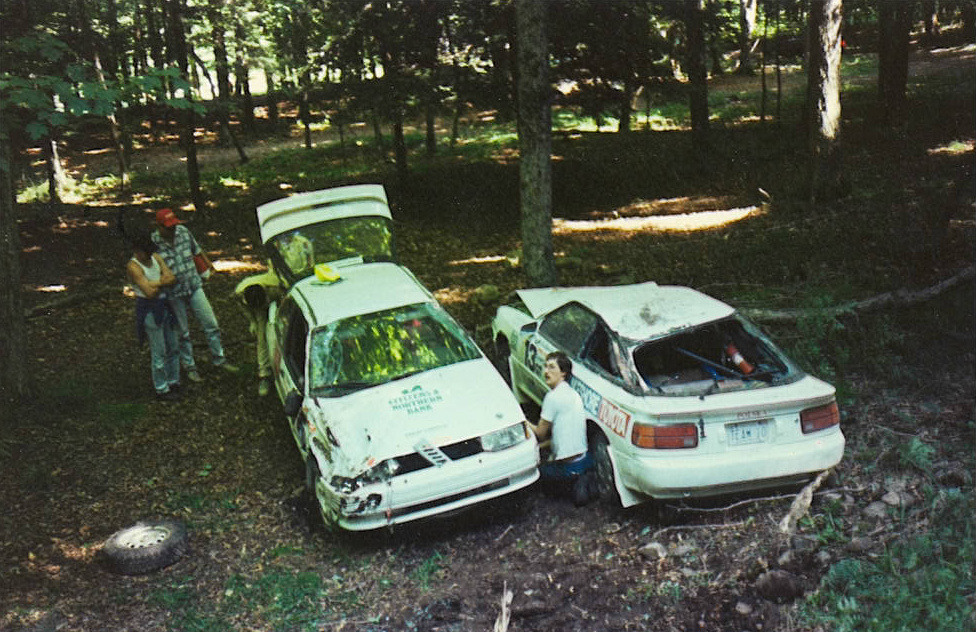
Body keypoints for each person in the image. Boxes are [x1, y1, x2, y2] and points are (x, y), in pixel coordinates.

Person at [152, 208, 238, 382]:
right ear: (159, 227)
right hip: (173, 293)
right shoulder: (153, 242)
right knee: (183, 333)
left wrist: (209, 266)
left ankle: (219, 359)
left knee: (211, 323)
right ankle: (190, 367)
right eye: (168, 227)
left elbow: (196, 250)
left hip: (193, 285)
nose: (173, 230)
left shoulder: (183, 231)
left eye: (174, 226)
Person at [528, 351, 596, 505]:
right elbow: (562, 434)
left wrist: (523, 422)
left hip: (568, 466)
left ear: (563, 373)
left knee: (538, 475)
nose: (546, 371)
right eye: (545, 367)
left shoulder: (552, 398)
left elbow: (540, 433)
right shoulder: (574, 394)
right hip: (584, 458)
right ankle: (582, 480)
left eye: (552, 367)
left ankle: (571, 484)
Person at [126, 230, 181, 401]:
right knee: (159, 350)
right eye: (142, 252)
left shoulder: (156, 257)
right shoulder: (133, 266)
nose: (145, 255)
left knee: (173, 344)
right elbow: (148, 293)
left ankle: (174, 380)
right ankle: (161, 388)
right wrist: (161, 283)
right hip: (149, 309)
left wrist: (155, 283)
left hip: (165, 305)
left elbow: (172, 278)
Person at [234, 265, 283, 397]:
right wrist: (252, 322)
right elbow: (243, 307)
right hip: (258, 310)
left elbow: (285, 298)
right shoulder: (240, 292)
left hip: (278, 300)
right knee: (262, 339)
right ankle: (264, 374)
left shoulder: (275, 285)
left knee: (282, 333)